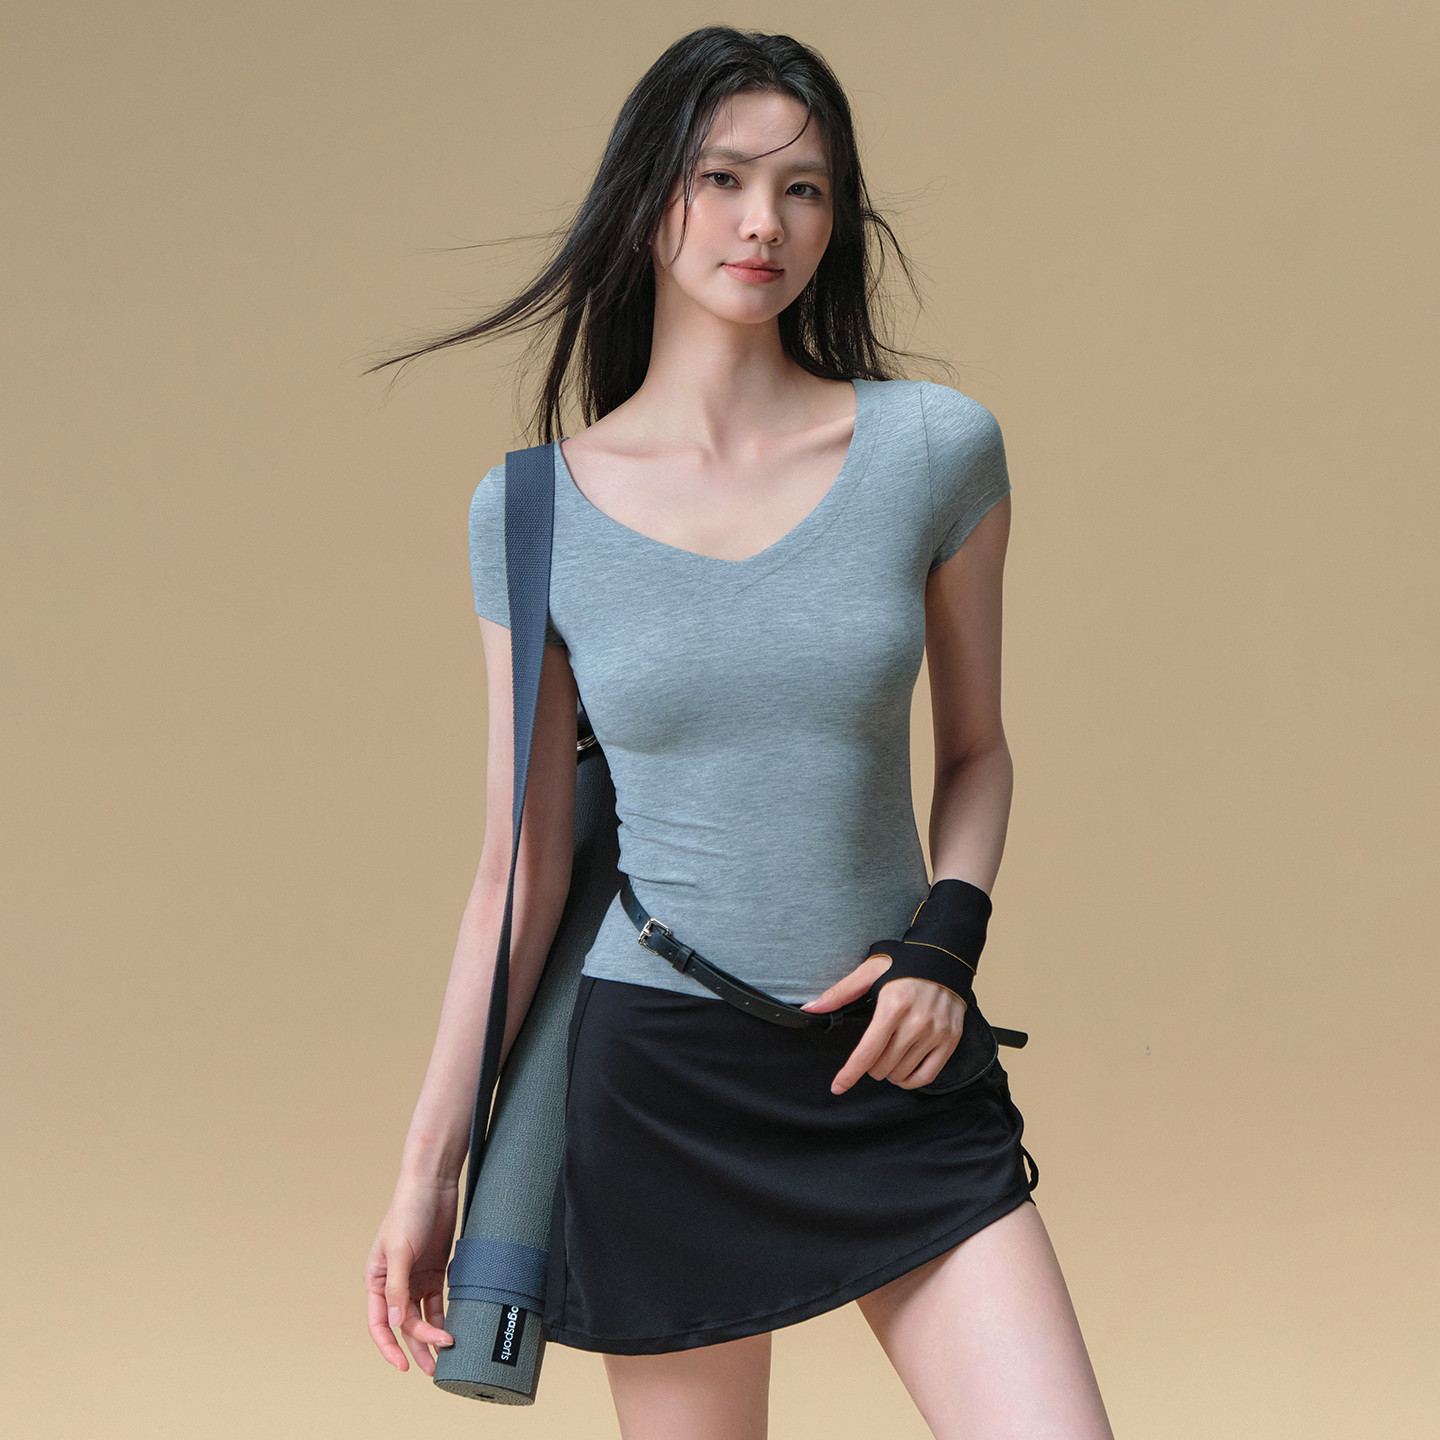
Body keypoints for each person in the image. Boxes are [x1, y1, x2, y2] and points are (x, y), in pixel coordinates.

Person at [364, 25, 1114, 1440]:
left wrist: (944, 948)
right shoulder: (530, 514)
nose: (763, 221)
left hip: (895, 1060)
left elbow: (977, 752)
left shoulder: (934, 451)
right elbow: (518, 873)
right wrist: (426, 1174)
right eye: (722, 178)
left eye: (803, 187)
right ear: (648, 196)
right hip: (662, 1085)